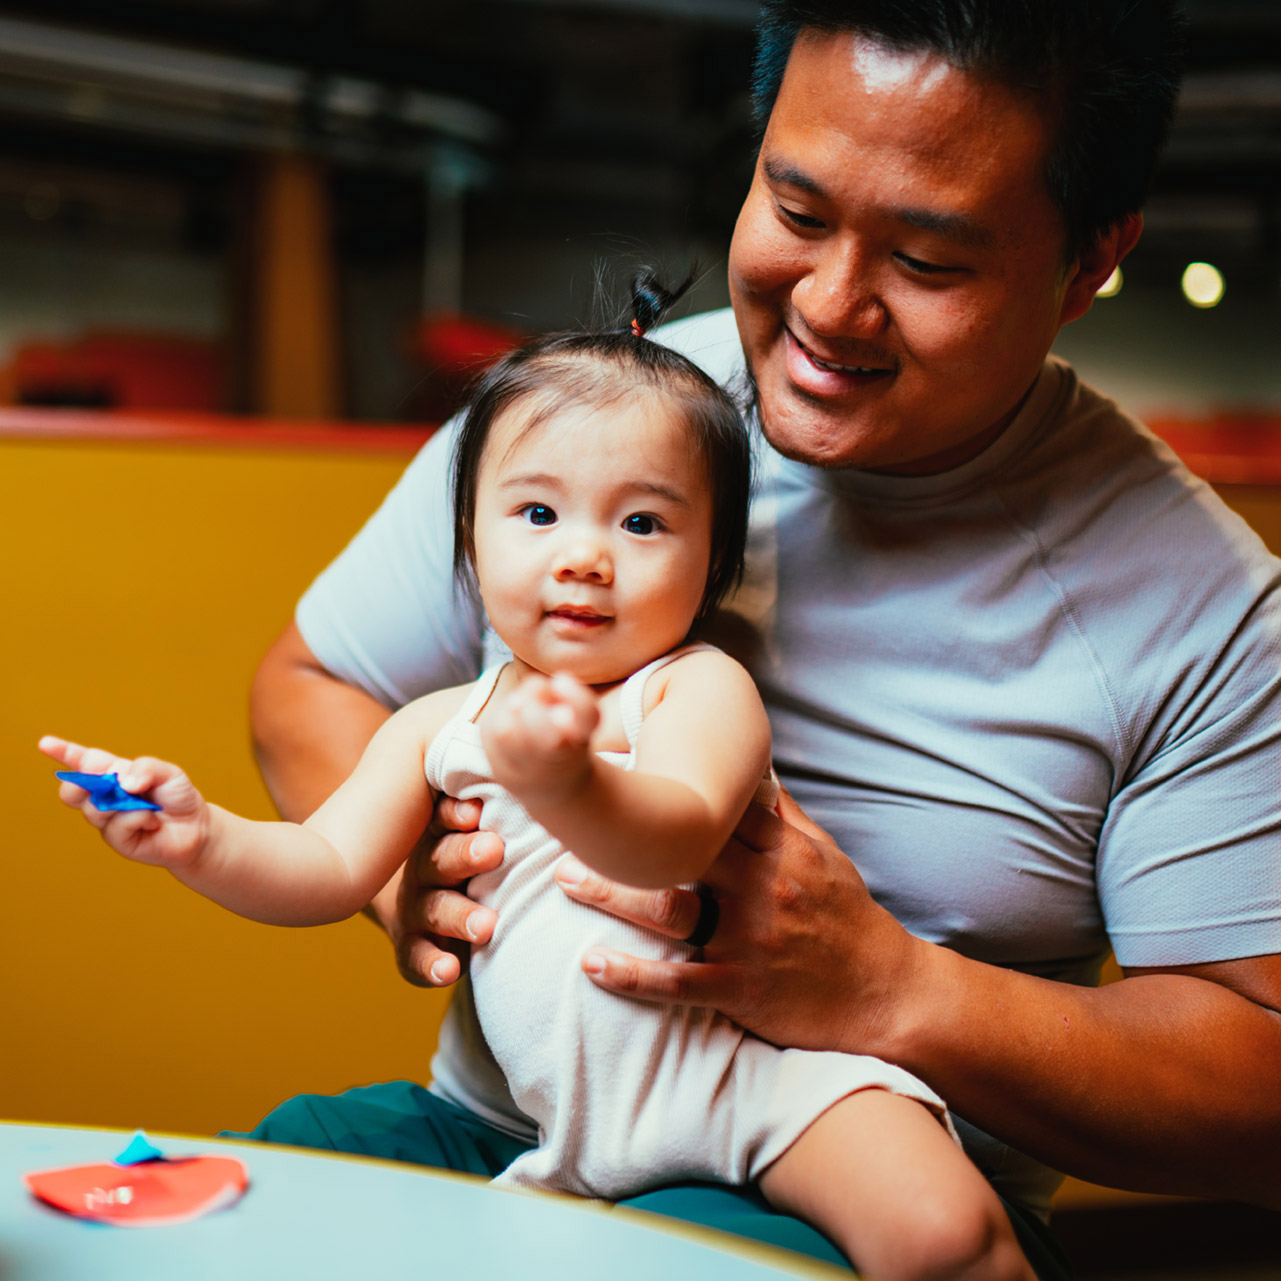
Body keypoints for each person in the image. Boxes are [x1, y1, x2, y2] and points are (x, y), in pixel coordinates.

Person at [249, 0, 1281, 1275]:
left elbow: (1262, 1091)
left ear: (1089, 262)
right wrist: (415, 870)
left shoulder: (1204, 608)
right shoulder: (588, 430)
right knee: (242, 1200)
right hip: (520, 1131)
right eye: (797, 213)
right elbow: (313, 684)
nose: (833, 309)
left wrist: (898, 991)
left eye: (932, 262)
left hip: (848, 1191)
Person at [40, 284, 1037, 1281]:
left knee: (945, 1235)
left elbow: (679, 835)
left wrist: (571, 786)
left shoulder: (694, 687)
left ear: (712, 563)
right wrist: (201, 839)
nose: (585, 558)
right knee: (293, 1151)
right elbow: (325, 867)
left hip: (750, 1088)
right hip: (541, 1126)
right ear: (471, 539)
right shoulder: (444, 722)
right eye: (537, 512)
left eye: (644, 524)